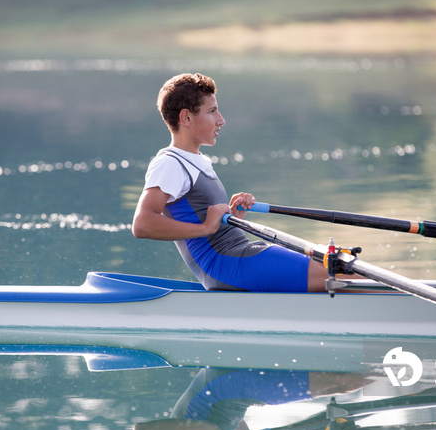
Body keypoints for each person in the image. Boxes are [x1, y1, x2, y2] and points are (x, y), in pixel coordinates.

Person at [132, 72, 336, 292]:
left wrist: (231, 216)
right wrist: (205, 227)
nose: (221, 120)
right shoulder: (170, 164)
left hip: (239, 254)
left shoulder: (199, 161)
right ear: (186, 118)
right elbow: (143, 224)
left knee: (339, 261)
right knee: (336, 270)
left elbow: (204, 217)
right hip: (224, 265)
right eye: (212, 112)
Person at [133, 368, 365, 430]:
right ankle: (388, 361)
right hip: (227, 392)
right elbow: (208, 422)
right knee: (337, 381)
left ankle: (394, 364)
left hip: (221, 387)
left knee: (341, 384)